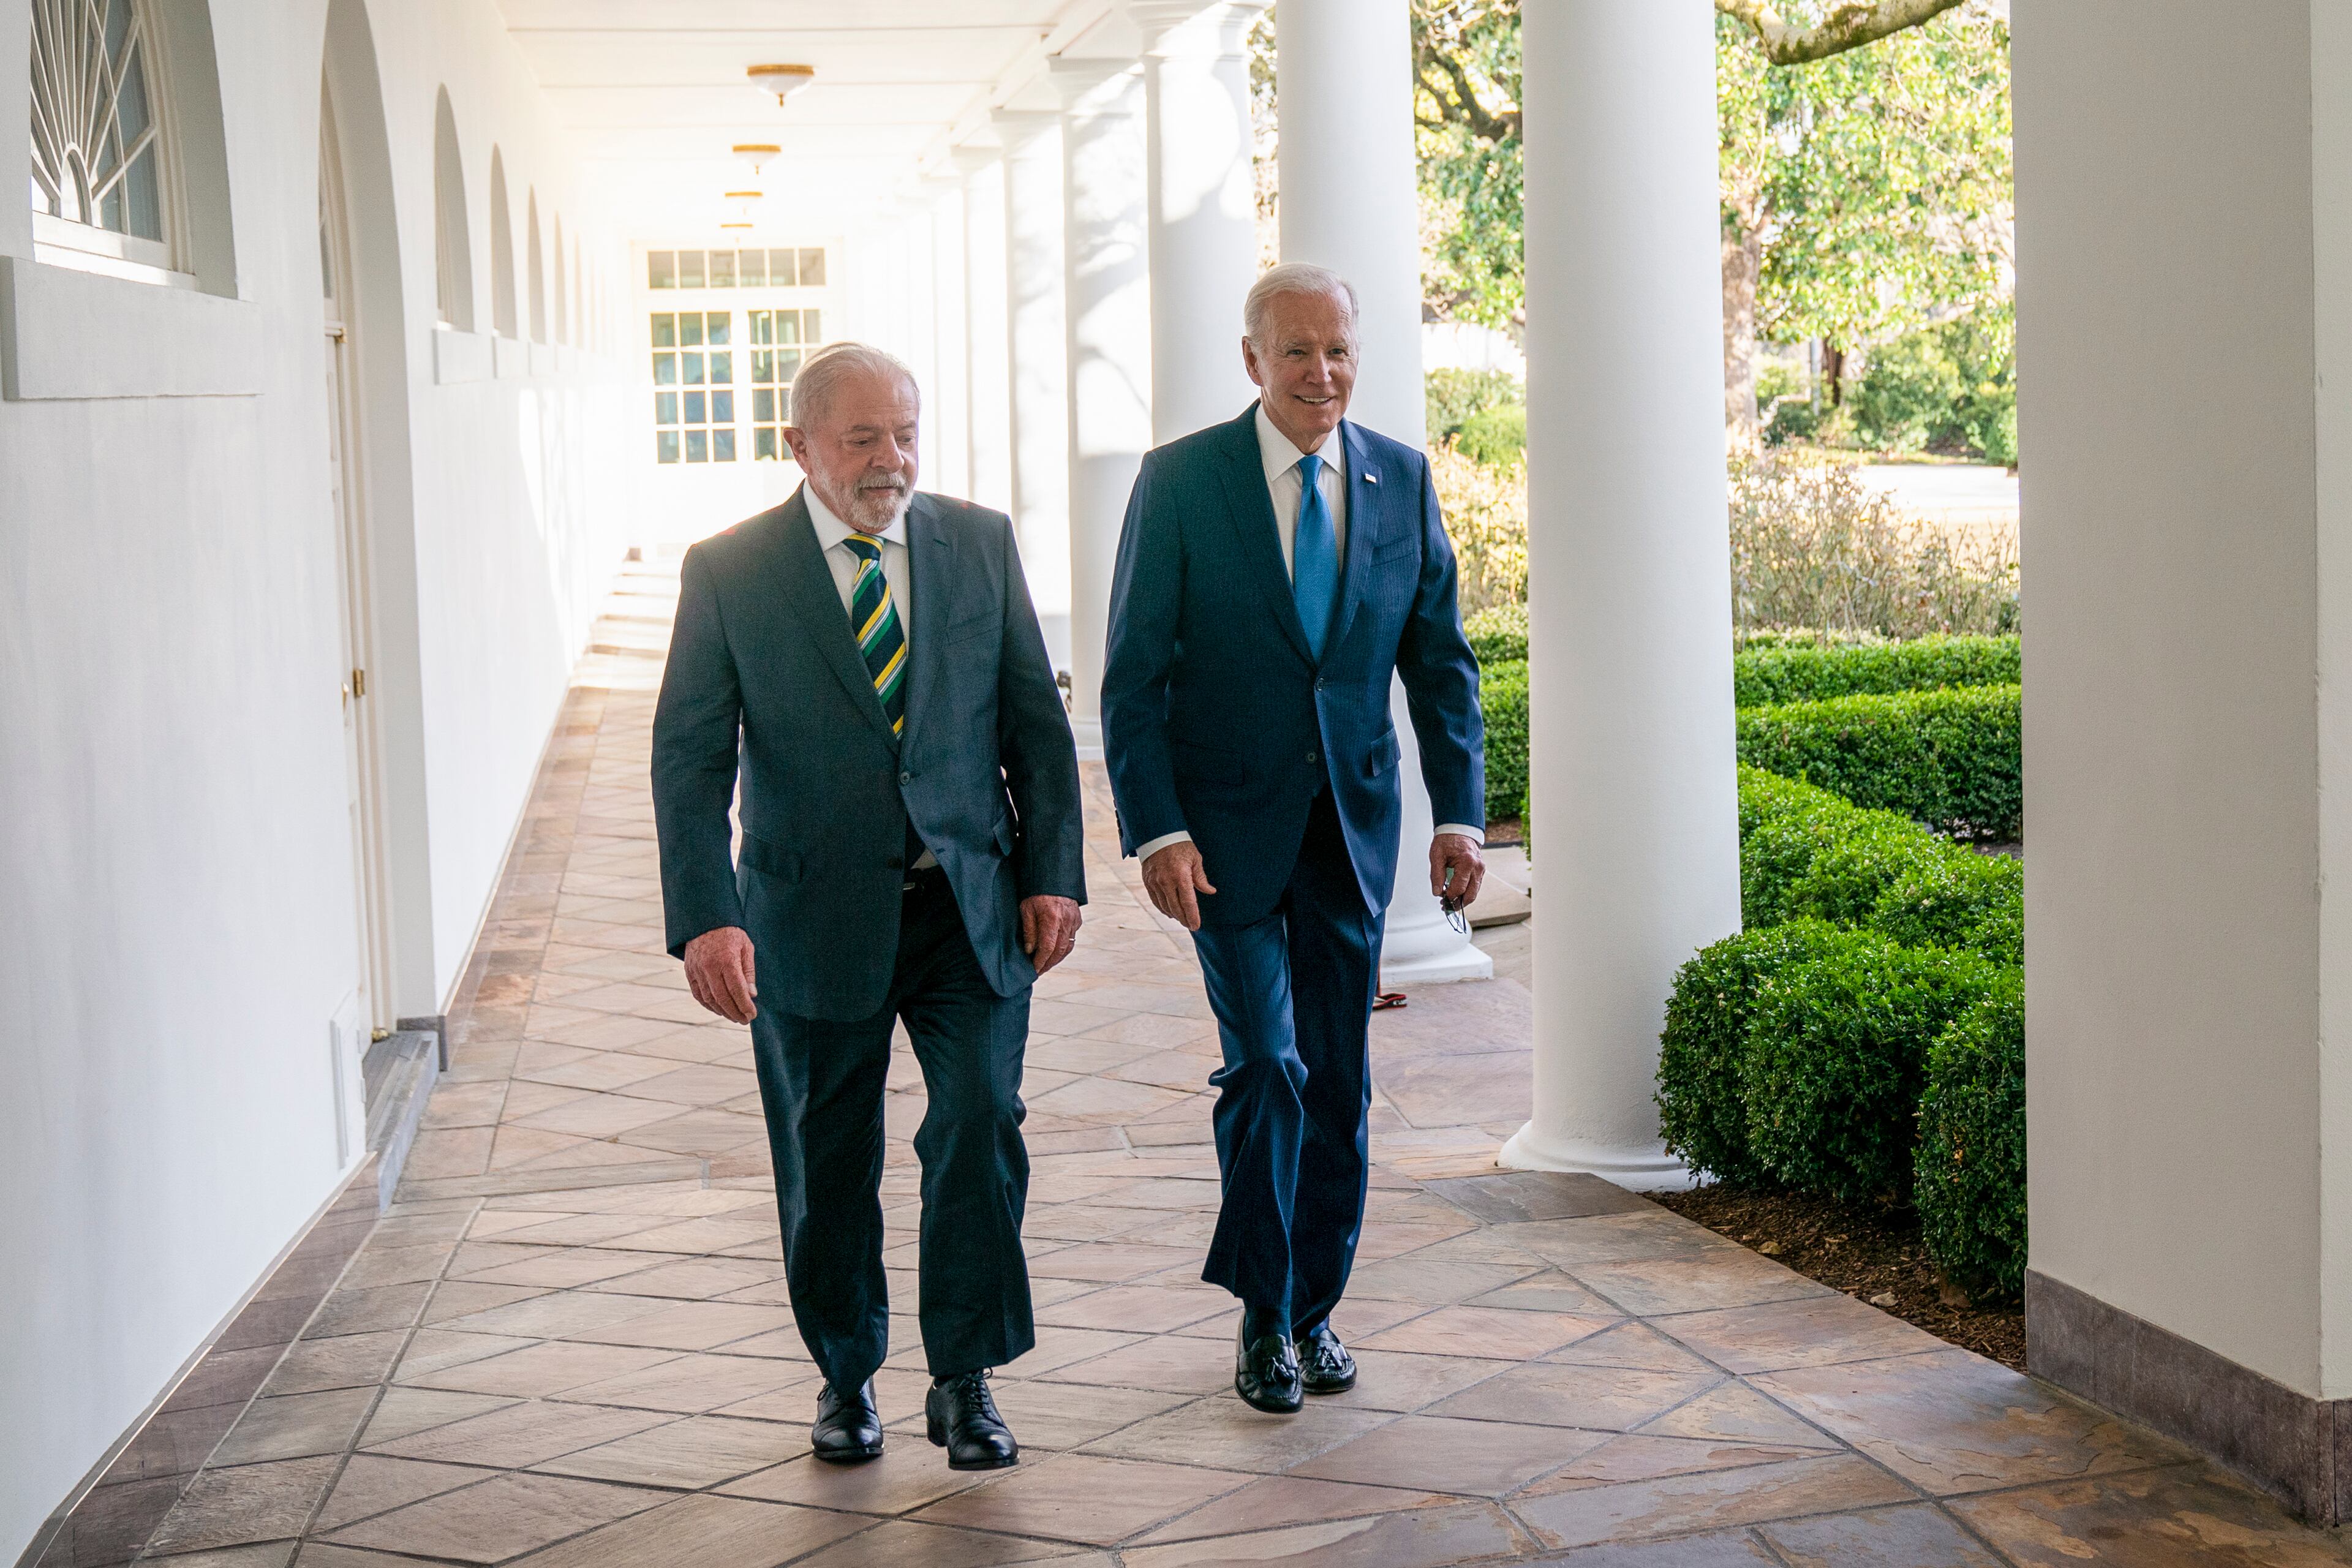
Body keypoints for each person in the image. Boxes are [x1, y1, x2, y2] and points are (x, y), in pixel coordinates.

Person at [650, 343, 1084, 1469]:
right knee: (826, 1154)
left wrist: (1053, 872)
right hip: (807, 916)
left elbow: (1033, 723)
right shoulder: (730, 571)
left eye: (905, 434)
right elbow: (690, 756)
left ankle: (966, 1377)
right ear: (799, 446)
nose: (891, 460)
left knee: (982, 1122)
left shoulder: (977, 543)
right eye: (862, 440)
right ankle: (845, 1376)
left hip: (965, 907)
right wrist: (705, 913)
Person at [1101, 265, 1487, 1413]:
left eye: (1339, 351)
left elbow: (1441, 664)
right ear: (1253, 360)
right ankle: (1263, 1318)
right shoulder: (1181, 484)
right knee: (1267, 1065)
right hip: (1222, 840)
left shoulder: (1401, 481)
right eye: (1299, 353)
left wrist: (1459, 810)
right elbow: (1130, 679)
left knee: (1339, 1083)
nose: (1323, 374)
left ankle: (1315, 1309)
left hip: (1349, 838)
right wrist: (1155, 829)